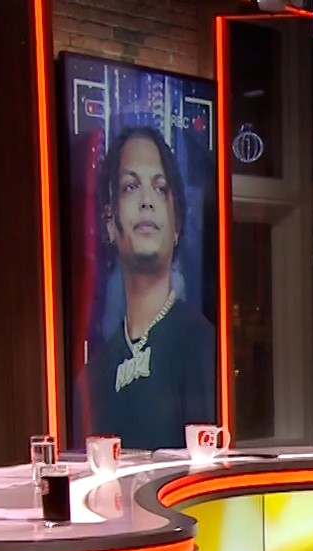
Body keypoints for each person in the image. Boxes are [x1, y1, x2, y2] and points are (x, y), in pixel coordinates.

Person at [84, 125, 217, 450]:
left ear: (177, 225)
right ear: (109, 222)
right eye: (131, 187)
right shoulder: (92, 377)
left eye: (160, 188)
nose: (147, 201)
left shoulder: (204, 346)